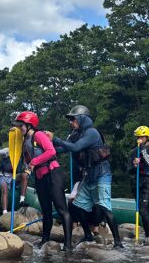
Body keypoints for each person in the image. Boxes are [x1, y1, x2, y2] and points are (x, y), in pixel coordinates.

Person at [52, 105, 123, 248]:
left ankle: (118, 242)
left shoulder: (92, 133)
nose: (71, 122)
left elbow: (75, 148)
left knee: (104, 207)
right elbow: (61, 149)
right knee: (76, 206)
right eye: (70, 119)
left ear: (82, 119)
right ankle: (88, 235)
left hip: (102, 174)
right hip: (88, 175)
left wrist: (55, 138)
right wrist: (46, 144)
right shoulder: (76, 134)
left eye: (73, 119)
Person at [12, 111, 72, 251]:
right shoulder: (24, 140)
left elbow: (51, 151)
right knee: (45, 210)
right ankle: (45, 240)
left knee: (61, 209)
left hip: (52, 173)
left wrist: (34, 161)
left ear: (28, 125)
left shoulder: (38, 135)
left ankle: (68, 244)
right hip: (40, 177)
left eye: (20, 126)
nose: (19, 129)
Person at [127, 125, 149, 240]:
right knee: (141, 210)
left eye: (142, 137)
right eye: (138, 137)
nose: (139, 139)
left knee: (144, 210)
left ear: (147, 137)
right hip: (137, 182)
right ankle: (147, 237)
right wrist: (134, 165)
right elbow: (129, 170)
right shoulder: (134, 152)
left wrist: (142, 151)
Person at [0, 145, 26, 214]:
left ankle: (22, 199)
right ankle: (5, 212)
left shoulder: (23, 155)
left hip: (13, 177)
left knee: (24, 175)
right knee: (5, 190)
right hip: (2, 176)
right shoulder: (7, 150)